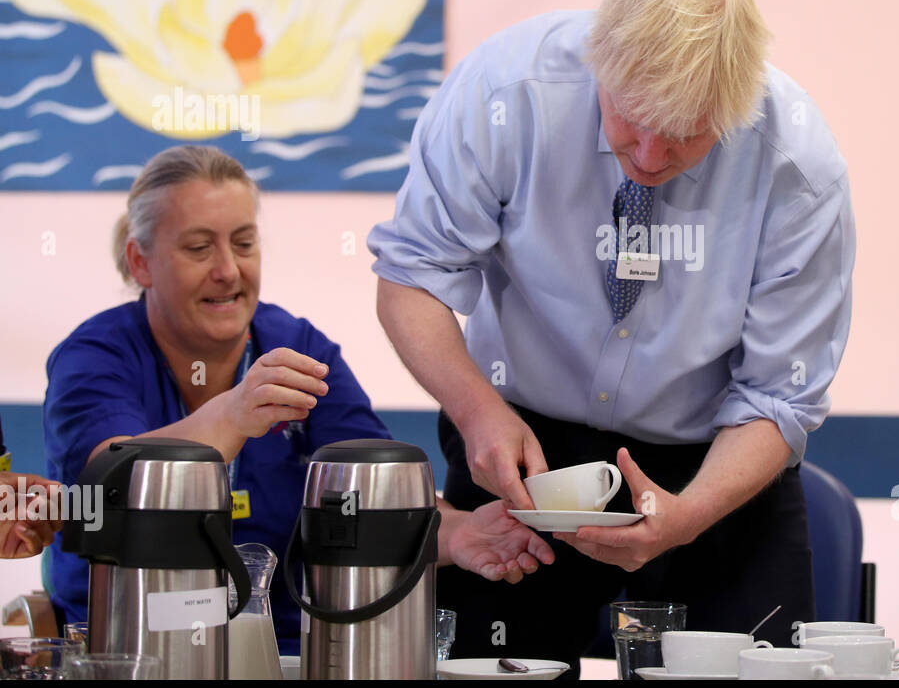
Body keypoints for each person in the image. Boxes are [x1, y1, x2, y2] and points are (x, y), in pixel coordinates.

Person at [369, 0, 855, 672]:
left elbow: (779, 396)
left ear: (737, 105)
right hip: (521, 450)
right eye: (631, 118)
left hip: (713, 468)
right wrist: (474, 409)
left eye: (688, 133)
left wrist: (686, 515)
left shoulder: (797, 168)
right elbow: (412, 275)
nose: (653, 156)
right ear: (600, 60)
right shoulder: (508, 94)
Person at [44, 146, 553, 654]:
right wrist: (231, 413)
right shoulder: (95, 355)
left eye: (243, 244)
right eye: (199, 249)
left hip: (283, 647)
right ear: (141, 260)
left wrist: (460, 534)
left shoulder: (296, 346)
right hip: (128, 646)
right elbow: (109, 488)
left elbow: (374, 492)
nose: (227, 270)